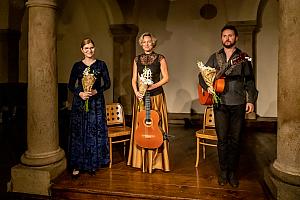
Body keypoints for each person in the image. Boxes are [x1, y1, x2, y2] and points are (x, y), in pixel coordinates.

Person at [198, 25, 258, 187]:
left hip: (238, 103)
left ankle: (233, 173)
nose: (227, 38)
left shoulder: (243, 58)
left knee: (236, 140)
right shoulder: (215, 56)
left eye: (230, 35)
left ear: (236, 38)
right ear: (221, 38)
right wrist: (208, 87)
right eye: (224, 35)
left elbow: (250, 81)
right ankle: (223, 172)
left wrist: (251, 100)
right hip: (220, 103)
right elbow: (201, 75)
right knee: (222, 140)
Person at [127, 32, 170, 173]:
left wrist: (151, 86)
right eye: (144, 42)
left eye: (149, 42)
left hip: (156, 97)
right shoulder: (137, 59)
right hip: (141, 97)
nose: (146, 44)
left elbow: (166, 78)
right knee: (141, 126)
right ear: (141, 43)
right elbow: (134, 79)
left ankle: (158, 162)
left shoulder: (160, 58)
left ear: (153, 43)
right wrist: (136, 92)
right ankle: (139, 161)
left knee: (157, 126)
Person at [68, 38, 111, 177]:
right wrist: (79, 93)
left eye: (91, 47)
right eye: (86, 48)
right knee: (80, 132)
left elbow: (107, 84)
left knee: (94, 131)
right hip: (80, 103)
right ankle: (77, 165)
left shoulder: (101, 65)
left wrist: (95, 91)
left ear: (94, 48)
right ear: (82, 50)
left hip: (96, 103)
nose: (89, 50)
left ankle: (93, 163)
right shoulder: (77, 66)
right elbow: (70, 85)